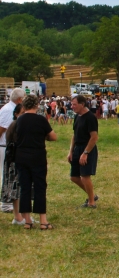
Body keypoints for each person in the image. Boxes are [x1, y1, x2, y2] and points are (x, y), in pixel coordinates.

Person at [15, 95, 57, 229]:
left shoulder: (19, 120)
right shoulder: (41, 120)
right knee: (39, 186)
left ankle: (27, 220)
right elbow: (53, 136)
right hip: (37, 156)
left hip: (21, 156)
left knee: (25, 187)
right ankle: (43, 220)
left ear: (24, 106)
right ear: (36, 105)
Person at [68, 95, 100, 208]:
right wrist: (71, 151)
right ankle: (92, 195)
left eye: (74, 104)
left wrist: (85, 153)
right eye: (72, 104)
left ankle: (91, 202)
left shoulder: (90, 117)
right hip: (77, 148)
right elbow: (74, 135)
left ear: (82, 104)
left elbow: (94, 137)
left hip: (87, 149)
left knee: (85, 176)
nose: (72, 107)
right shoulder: (77, 117)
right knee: (74, 177)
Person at [0, 88, 24, 213]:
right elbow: (2, 129)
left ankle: (9, 202)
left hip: (7, 146)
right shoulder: (9, 110)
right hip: (4, 146)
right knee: (5, 174)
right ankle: (6, 203)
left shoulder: (9, 108)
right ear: (19, 99)